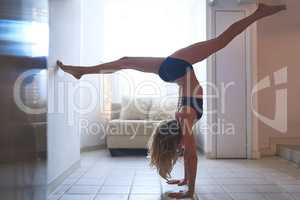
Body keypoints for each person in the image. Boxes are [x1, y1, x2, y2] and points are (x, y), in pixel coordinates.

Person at [57, 3, 286, 199]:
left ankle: (259, 13)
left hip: (178, 67)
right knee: (125, 61)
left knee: (221, 40)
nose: (180, 148)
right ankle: (82, 72)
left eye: (176, 146)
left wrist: (190, 189)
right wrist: (186, 181)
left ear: (175, 137)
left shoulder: (184, 117)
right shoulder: (182, 117)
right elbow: (189, 153)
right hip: (173, 70)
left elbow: (191, 155)